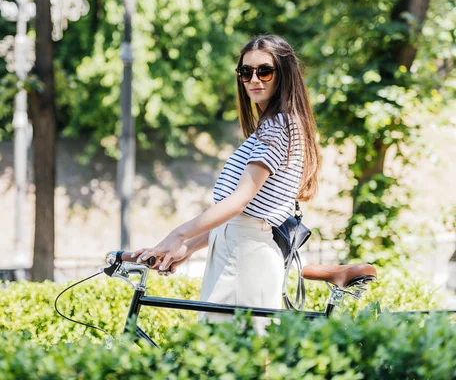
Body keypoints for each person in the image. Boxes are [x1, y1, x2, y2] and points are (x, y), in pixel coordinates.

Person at [131, 35, 321, 331]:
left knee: (229, 359)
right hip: (237, 253)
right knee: (226, 357)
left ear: (283, 75)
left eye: (264, 71)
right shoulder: (274, 127)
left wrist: (178, 235)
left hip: (244, 259)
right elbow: (238, 216)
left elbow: (239, 204)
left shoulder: (277, 128)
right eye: (246, 72)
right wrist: (190, 247)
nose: (253, 79)